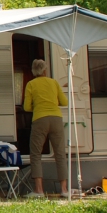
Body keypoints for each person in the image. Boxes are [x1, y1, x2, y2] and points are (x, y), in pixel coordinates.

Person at [22, 58, 68, 199]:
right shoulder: (53, 82)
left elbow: (27, 107)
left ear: (33, 71)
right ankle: (64, 190)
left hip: (40, 119)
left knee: (36, 154)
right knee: (60, 154)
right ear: (45, 70)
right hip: (56, 118)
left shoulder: (31, 84)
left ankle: (39, 190)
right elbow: (65, 102)